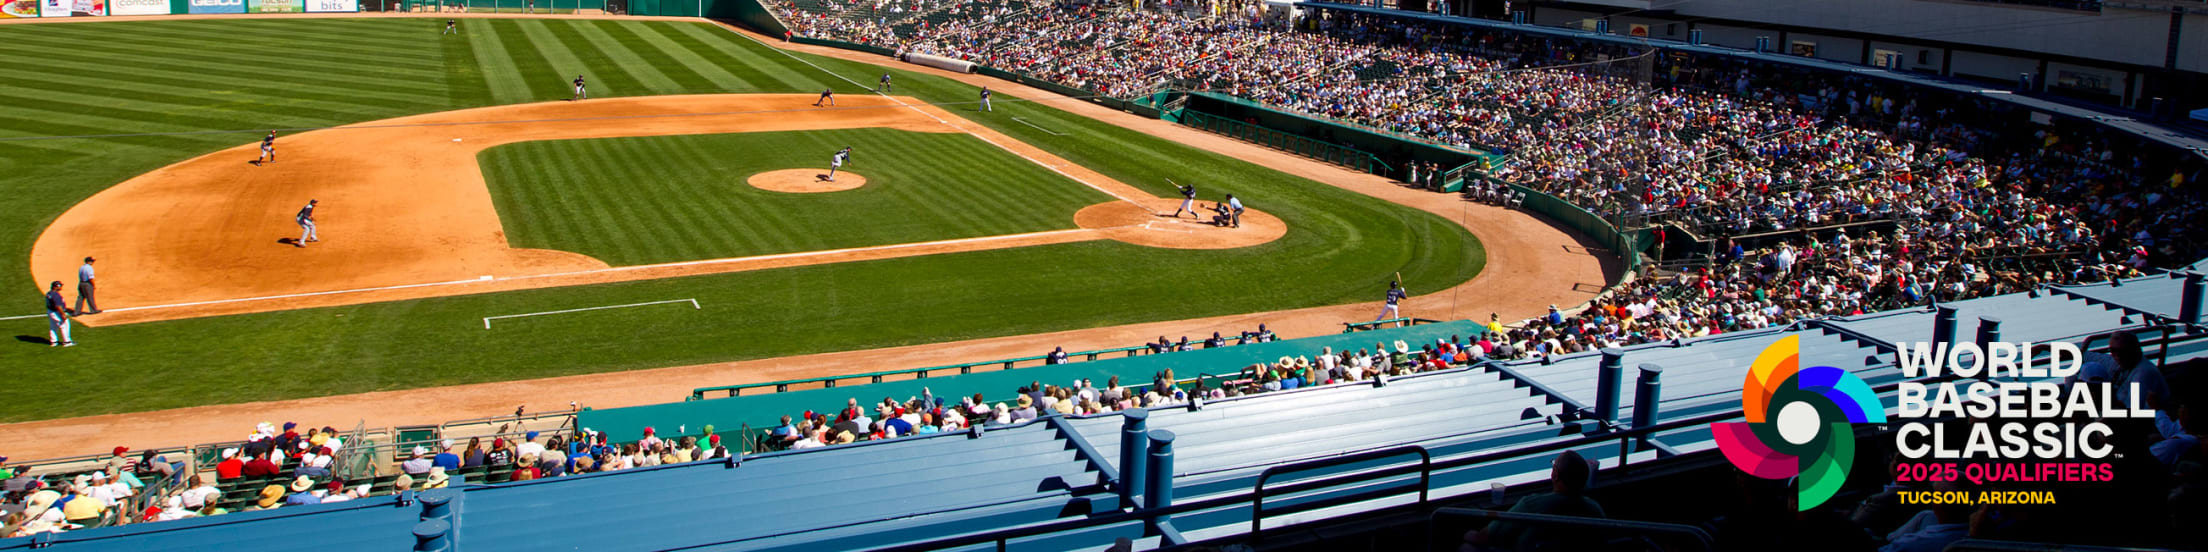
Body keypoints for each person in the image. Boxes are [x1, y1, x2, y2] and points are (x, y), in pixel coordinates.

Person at [1465, 450, 1604, 551]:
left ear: (1555, 475)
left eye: (1554, 465)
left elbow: (1484, 537)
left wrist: (1465, 534)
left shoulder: (1533, 504)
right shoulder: (1595, 510)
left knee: (1467, 547)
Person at [44, 281, 73, 347]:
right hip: (56, 312)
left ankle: (54, 341)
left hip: (50, 311)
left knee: (53, 326)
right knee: (64, 325)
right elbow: (58, 306)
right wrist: (63, 314)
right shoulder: (56, 295)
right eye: (59, 286)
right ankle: (67, 342)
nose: (61, 287)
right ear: (55, 287)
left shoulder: (49, 293)